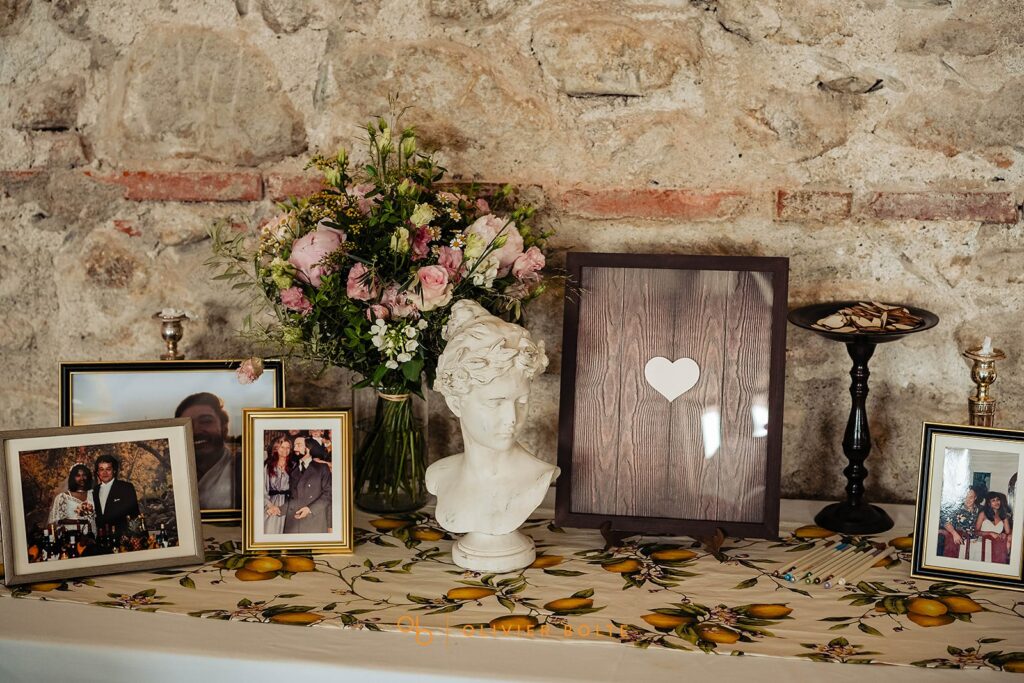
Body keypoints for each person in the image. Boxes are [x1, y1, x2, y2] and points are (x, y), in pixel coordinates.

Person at [427, 300, 558, 571]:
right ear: (455, 402)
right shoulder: (438, 475)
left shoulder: (537, 478)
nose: (511, 418)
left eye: (521, 402)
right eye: (495, 402)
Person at [175, 392, 239, 511]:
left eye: (205, 421)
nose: (195, 431)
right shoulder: (172, 474)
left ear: (224, 427)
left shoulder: (244, 472)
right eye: (186, 424)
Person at [283, 436, 332, 533]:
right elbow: (291, 498)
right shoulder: (292, 469)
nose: (295, 448)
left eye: (299, 445)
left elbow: (328, 494)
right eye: (294, 445)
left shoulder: (322, 468)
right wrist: (278, 509)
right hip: (293, 521)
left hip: (314, 518)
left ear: (309, 448)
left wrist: (310, 509)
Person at [92, 454, 140, 537]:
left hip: (123, 537)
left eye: (108, 469)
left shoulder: (126, 487)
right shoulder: (94, 491)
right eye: (101, 469)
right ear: (97, 472)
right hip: (101, 538)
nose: (105, 473)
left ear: (114, 471)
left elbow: (134, 516)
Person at [47, 464, 96, 535]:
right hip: (72, 535)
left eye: (84, 475)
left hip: (92, 535)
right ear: (73, 478)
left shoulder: (93, 494)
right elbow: (56, 521)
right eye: (78, 476)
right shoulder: (63, 497)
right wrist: (79, 521)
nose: (82, 478)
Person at [938, 485, 984, 558]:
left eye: (971, 497)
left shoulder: (980, 509)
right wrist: (954, 533)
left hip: (975, 543)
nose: (967, 500)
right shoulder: (956, 508)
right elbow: (944, 521)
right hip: (958, 543)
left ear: (975, 498)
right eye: (965, 497)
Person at [264, 436, 291, 535]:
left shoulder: (293, 465)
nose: (285, 450)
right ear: (276, 448)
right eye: (282, 447)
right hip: (271, 503)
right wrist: (270, 506)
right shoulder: (268, 466)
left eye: (288, 448)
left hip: (288, 503)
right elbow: (262, 489)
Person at [977, 492, 1013, 564]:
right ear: (989, 503)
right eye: (993, 500)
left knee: (1010, 537)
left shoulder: (1002, 515)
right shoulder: (983, 514)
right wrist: (990, 533)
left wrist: (1004, 533)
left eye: (998, 500)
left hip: (997, 544)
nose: (996, 502)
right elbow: (976, 531)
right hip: (983, 543)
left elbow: (1008, 532)